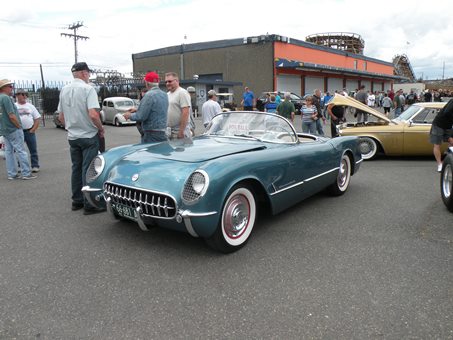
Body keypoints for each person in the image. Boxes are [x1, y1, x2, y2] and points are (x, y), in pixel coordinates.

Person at [58, 62, 105, 214]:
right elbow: (93, 114)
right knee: (88, 169)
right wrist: (100, 128)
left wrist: (69, 127)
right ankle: (89, 203)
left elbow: (61, 116)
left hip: (73, 136)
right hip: (88, 135)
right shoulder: (88, 89)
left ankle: (76, 200)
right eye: (88, 73)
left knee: (76, 167)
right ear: (84, 73)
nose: (89, 76)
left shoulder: (64, 90)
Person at [0, 79, 36, 180]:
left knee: (9, 151)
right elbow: (11, 115)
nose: (11, 88)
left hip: (4, 129)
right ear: (4, 88)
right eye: (9, 86)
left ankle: (12, 174)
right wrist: (18, 126)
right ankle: (26, 173)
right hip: (13, 128)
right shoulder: (6, 98)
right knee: (21, 150)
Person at [123, 71, 168, 143]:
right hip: (163, 132)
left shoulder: (148, 95)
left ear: (147, 83)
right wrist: (137, 109)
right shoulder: (165, 95)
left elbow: (141, 116)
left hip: (151, 134)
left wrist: (129, 115)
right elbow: (156, 110)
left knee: (149, 153)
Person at [15, 89, 41, 172]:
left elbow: (37, 118)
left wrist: (33, 129)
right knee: (19, 150)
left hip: (29, 131)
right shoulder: (14, 106)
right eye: (19, 94)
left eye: (23, 94)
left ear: (26, 96)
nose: (21, 96)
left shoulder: (30, 106)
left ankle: (35, 166)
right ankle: (21, 166)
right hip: (18, 131)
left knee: (33, 149)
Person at [165, 72, 192, 139]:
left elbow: (185, 112)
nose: (167, 83)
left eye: (170, 81)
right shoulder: (168, 94)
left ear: (177, 81)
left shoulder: (182, 93)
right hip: (169, 131)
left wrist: (181, 131)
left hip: (179, 131)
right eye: (166, 82)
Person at [429, 98, 453, 172]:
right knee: (437, 144)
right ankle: (440, 164)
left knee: (451, 142)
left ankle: (449, 160)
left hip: (449, 125)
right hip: (438, 124)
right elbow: (447, 112)